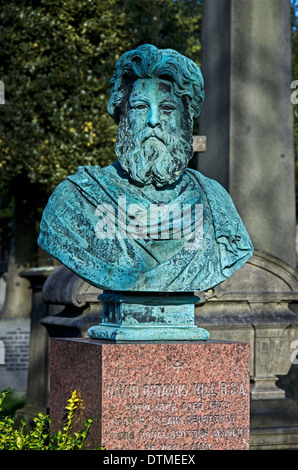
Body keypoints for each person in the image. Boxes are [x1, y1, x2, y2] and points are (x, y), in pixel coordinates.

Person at [38, 44, 253, 292]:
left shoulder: (215, 202)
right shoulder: (75, 199)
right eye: (141, 107)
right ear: (123, 115)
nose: (153, 120)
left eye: (167, 108)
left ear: (186, 118)